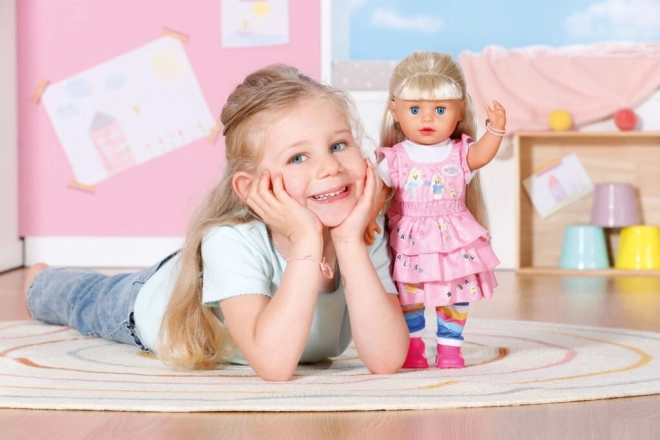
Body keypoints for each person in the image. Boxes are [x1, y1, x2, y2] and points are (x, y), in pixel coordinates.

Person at [24, 64, 410, 382]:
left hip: (213, 272)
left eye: (338, 145)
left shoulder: (362, 230)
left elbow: (386, 358)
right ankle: (39, 279)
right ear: (251, 187)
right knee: (83, 299)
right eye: (297, 158)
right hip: (148, 301)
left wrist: (348, 243)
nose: (329, 167)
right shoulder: (230, 241)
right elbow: (275, 364)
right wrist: (307, 240)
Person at [367, 51, 505, 369]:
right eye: (415, 109)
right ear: (395, 111)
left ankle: (450, 349)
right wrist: (368, 221)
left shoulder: (460, 153)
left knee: (455, 292)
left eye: (440, 110)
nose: (427, 120)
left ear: (460, 111)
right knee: (408, 296)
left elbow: (482, 155)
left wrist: (496, 130)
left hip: (452, 242)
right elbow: (378, 193)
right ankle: (412, 347)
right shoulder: (395, 158)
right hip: (409, 244)